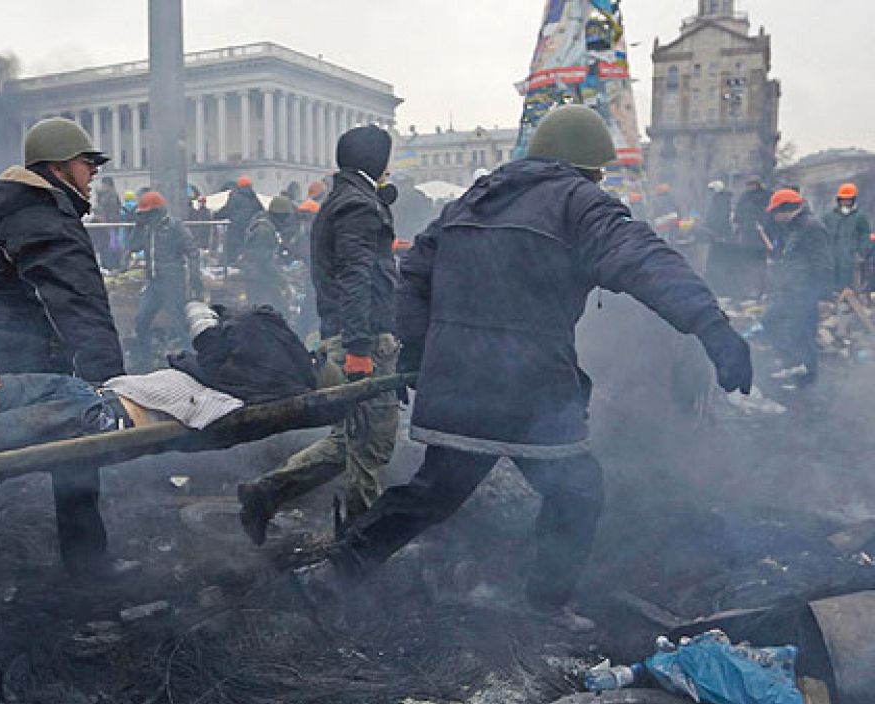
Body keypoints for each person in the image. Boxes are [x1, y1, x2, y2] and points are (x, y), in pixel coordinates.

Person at [329, 105, 753, 633]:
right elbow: (644, 258)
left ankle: (346, 564)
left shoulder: (473, 197)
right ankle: (546, 604)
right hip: (529, 389)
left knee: (435, 490)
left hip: (458, 384)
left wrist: (419, 351)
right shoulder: (580, 203)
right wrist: (711, 325)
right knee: (578, 490)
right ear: (590, 168)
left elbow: (414, 272)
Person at [0, 303, 315, 584]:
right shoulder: (249, 354)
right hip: (89, 396)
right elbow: (203, 321)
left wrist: (216, 322)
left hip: (96, 414)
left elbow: (207, 330)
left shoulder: (259, 377)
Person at [0, 116, 125, 574]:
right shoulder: (41, 216)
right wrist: (107, 379)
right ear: (61, 166)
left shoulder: (18, 207)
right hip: (11, 364)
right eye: (88, 163)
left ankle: (87, 562)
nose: (95, 171)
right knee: (68, 448)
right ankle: (90, 570)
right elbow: (78, 304)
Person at [240, 125, 401, 546]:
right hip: (360, 343)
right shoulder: (359, 205)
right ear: (376, 160)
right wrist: (360, 349)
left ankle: (264, 493)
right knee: (372, 446)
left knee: (347, 442)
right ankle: (360, 546)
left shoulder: (344, 199)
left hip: (348, 338)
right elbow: (355, 277)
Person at [762, 188, 832, 388]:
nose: (774, 217)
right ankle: (795, 366)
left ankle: (806, 378)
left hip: (806, 291)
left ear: (786, 209)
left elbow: (823, 262)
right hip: (793, 290)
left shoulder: (811, 227)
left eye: (775, 212)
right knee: (776, 324)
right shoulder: (797, 228)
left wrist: (824, 296)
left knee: (801, 333)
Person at [126, 191, 203, 358]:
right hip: (153, 283)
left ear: (157, 212)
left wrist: (195, 277)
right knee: (141, 321)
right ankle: (144, 359)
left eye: (148, 214)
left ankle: (191, 357)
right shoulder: (146, 229)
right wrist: (138, 226)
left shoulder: (175, 227)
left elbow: (193, 252)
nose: (146, 217)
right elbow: (133, 246)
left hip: (172, 282)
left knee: (179, 323)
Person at [239, 195, 289, 309]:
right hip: (260, 279)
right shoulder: (264, 230)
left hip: (260, 277)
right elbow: (263, 260)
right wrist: (281, 279)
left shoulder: (264, 225)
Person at [824, 183, 870, 293]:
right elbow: (824, 235)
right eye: (843, 199)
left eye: (848, 199)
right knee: (834, 284)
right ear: (838, 200)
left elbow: (865, 236)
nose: (845, 202)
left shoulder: (860, 217)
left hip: (851, 257)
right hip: (833, 256)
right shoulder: (829, 216)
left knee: (852, 285)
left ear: (853, 200)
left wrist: (861, 252)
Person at [221, 176, 263, 269]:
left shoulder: (235, 196)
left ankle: (232, 267)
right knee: (247, 249)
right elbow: (260, 210)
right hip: (251, 228)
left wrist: (218, 215)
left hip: (236, 228)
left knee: (233, 250)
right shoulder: (254, 197)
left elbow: (228, 210)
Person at [92, 175, 126, 271]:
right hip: (107, 225)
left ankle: (109, 265)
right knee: (108, 246)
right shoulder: (108, 194)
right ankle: (110, 265)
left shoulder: (108, 195)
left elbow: (110, 210)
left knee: (108, 245)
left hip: (106, 225)